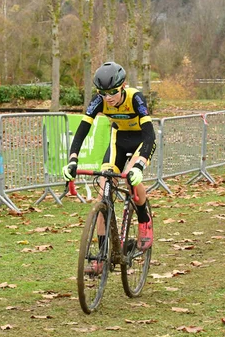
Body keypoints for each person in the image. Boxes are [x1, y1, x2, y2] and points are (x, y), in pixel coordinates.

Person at [63, 61, 156, 258]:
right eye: (102, 93)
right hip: (119, 140)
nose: (108, 98)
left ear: (123, 86)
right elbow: (81, 132)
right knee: (102, 193)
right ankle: (102, 255)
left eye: (113, 92)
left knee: (131, 176)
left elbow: (150, 135)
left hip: (141, 140)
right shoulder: (99, 101)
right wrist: (72, 160)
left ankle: (143, 219)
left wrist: (139, 166)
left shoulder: (135, 97)